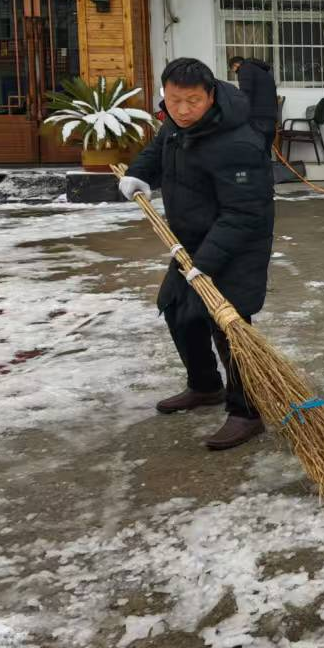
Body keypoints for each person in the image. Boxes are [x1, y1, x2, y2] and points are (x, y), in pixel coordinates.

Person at [120, 57, 275, 450]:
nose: (183, 110)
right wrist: (139, 174)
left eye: (193, 101)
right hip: (191, 242)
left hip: (236, 246)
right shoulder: (177, 123)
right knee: (177, 307)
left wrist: (204, 265)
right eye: (175, 101)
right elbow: (160, 148)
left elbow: (244, 213)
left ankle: (247, 411)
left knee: (230, 327)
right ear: (164, 98)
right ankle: (206, 386)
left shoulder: (238, 143)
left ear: (210, 96)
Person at [227, 55, 279, 150]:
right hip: (270, 118)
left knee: (254, 152)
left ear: (235, 65)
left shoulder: (245, 69)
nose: (235, 72)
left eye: (233, 69)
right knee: (265, 154)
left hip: (257, 120)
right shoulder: (264, 72)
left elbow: (245, 93)